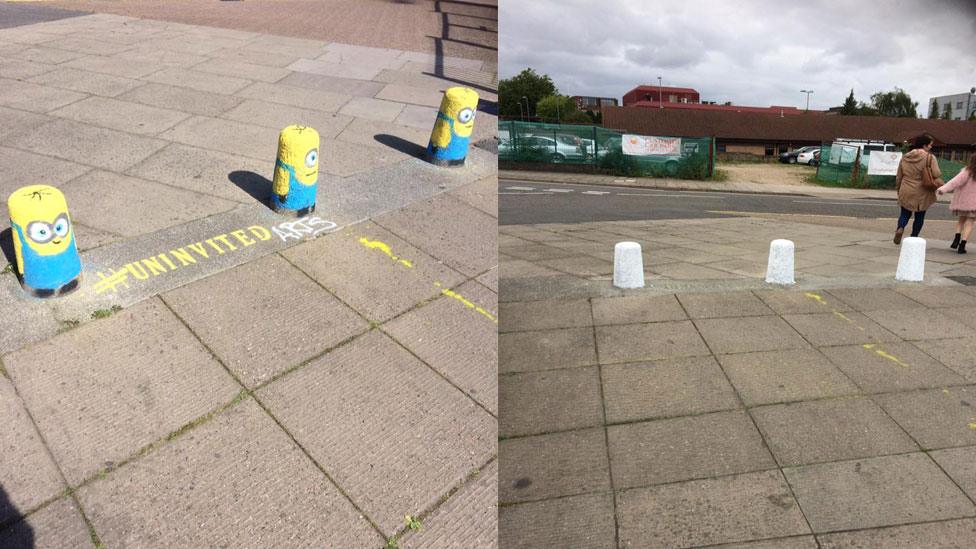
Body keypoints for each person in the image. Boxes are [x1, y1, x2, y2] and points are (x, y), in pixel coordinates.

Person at [894, 134, 942, 244]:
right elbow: (936, 173)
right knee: (920, 215)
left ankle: (900, 228)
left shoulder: (905, 156)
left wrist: (898, 188)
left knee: (904, 213)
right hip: (922, 189)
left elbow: (899, 175)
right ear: (924, 145)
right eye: (930, 145)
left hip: (906, 187)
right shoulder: (930, 157)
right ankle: (913, 237)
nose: (931, 147)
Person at [936, 152, 976, 253]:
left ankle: (956, 239)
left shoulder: (967, 171)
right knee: (970, 223)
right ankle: (962, 245)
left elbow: (955, 182)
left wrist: (943, 189)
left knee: (961, 220)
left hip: (963, 202)